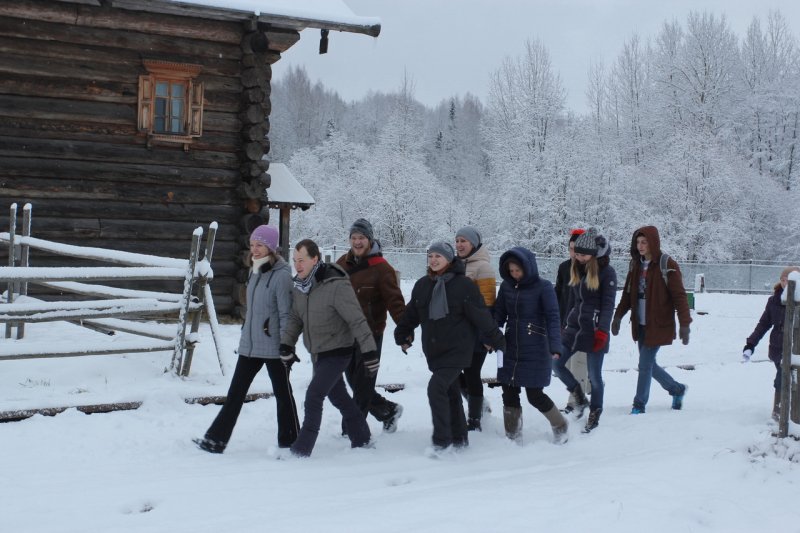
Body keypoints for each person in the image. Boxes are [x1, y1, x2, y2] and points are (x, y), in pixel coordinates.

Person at [194, 225, 299, 453]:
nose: (255, 249)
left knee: (283, 394)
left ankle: (292, 440)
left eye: (260, 245)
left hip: (274, 347)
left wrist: (287, 345)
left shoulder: (281, 275)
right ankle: (215, 440)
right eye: (252, 245)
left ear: (272, 247)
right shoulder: (254, 270)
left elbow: (286, 314)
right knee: (235, 394)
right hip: (250, 345)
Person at [394, 241, 506, 452]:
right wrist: (402, 335)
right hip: (434, 350)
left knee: (436, 388)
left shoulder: (463, 285)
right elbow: (411, 314)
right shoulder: (423, 285)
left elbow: (481, 315)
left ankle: (441, 442)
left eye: (439, 256)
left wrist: (497, 339)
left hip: (458, 349)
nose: (434, 260)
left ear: (449, 259)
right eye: (430, 256)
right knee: (452, 393)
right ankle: (460, 439)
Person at [280, 239, 379, 458]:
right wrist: (287, 343)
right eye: (295, 260)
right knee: (339, 397)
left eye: (302, 260)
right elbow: (296, 318)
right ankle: (362, 438)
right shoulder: (300, 287)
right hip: (318, 352)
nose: (297, 265)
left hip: (338, 350)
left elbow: (356, 319)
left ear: (315, 259)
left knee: (313, 396)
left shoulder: (335, 284)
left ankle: (301, 449)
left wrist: (369, 351)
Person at [611, 225, 690, 415]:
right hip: (640, 324)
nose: (640, 246)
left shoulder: (667, 264)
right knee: (649, 365)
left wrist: (685, 323)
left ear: (653, 242)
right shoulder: (635, 265)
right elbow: (628, 294)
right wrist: (618, 316)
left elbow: (679, 296)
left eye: (644, 242)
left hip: (658, 324)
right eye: (638, 242)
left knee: (644, 365)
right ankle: (677, 389)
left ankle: (639, 405)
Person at [336, 218, 405, 433]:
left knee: (363, 384)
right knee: (355, 383)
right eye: (354, 238)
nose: (357, 242)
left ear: (370, 239)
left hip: (370, 334)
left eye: (362, 238)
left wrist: (405, 331)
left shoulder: (382, 269)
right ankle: (388, 411)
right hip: (346, 333)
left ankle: (352, 431)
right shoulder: (341, 263)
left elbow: (395, 302)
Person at [494, 247, 568, 443]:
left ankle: (560, 425)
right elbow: (498, 314)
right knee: (509, 391)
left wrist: (555, 345)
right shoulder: (506, 287)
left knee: (534, 395)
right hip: (510, 346)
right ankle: (513, 437)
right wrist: (491, 337)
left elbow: (553, 317)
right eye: (511, 271)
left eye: (518, 270)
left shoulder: (543, 287)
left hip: (536, 347)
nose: (515, 274)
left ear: (528, 267)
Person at [553, 227, 617, 433]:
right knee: (556, 363)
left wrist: (602, 331)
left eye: (582, 255)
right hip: (574, 328)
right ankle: (579, 396)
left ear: (593, 254)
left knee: (595, 377)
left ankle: (595, 411)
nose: (577, 257)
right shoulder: (577, 267)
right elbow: (574, 301)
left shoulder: (607, 272)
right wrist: (565, 323)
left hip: (595, 330)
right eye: (576, 253)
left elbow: (608, 305)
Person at [742, 266, 800, 421]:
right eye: (783, 280)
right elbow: (763, 324)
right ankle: (779, 413)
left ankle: (789, 413)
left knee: (790, 380)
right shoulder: (774, 300)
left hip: (796, 349)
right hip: (778, 348)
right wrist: (751, 344)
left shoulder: (798, 301)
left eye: (788, 280)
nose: (785, 283)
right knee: (782, 379)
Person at [454, 226, 496, 431]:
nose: (459, 245)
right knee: (453, 372)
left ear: (473, 243)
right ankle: (479, 405)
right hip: (458, 331)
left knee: (472, 374)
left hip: (477, 332)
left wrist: (487, 335)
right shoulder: (454, 264)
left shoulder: (483, 267)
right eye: (457, 241)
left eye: (464, 241)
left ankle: (474, 419)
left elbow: (488, 304)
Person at [554, 228, 590, 410]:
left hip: (583, 326)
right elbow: (557, 294)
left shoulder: (590, 270)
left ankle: (575, 402)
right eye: (571, 248)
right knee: (565, 365)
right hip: (564, 325)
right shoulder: (564, 268)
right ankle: (590, 384)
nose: (574, 253)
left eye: (577, 249)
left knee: (578, 363)